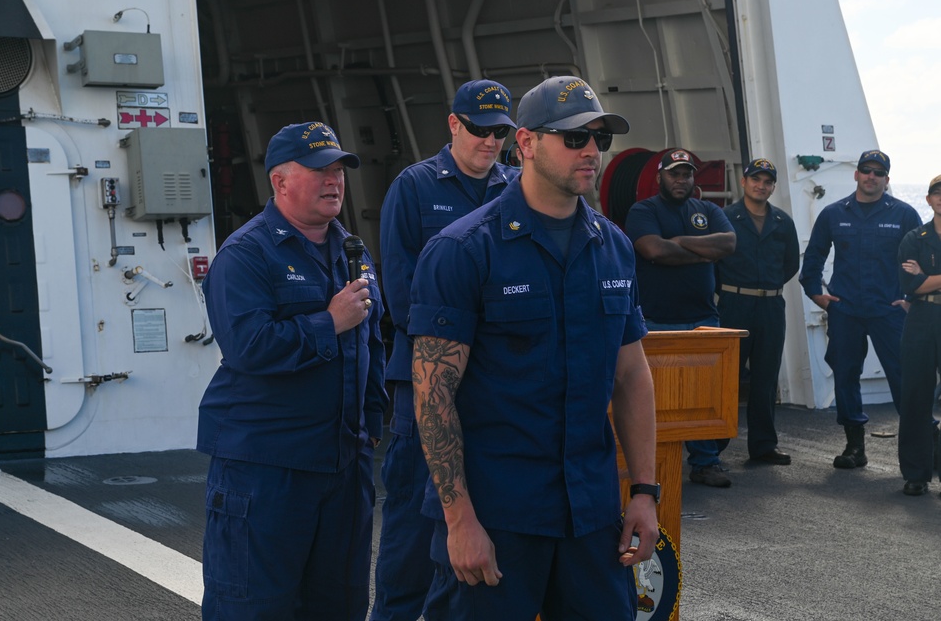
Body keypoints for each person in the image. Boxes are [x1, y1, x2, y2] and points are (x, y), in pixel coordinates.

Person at [408, 76, 659, 620]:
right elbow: (433, 396)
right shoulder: (463, 251)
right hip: (498, 519)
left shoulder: (612, 248)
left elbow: (632, 376)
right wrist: (459, 521)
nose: (590, 150)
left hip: (590, 518)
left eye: (599, 137)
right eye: (574, 138)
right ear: (525, 143)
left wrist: (644, 490)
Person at [197, 122, 388, 620]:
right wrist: (330, 322)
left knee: (339, 606)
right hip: (266, 468)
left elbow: (374, 339)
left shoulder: (352, 252)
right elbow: (248, 347)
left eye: (339, 170)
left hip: (343, 468)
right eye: (319, 170)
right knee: (254, 606)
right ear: (280, 182)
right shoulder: (246, 255)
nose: (334, 181)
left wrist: (371, 424)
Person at [373, 79, 517, 621]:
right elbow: (403, 292)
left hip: (494, 383)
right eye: (480, 129)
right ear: (454, 125)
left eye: (501, 131)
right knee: (413, 528)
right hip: (425, 379)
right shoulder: (413, 188)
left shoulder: (518, 187)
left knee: (489, 520)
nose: (490, 141)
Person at [799, 149, 921, 469]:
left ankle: (922, 448)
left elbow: (925, 259)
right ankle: (855, 448)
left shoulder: (904, 214)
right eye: (866, 170)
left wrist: (912, 299)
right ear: (856, 174)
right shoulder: (833, 213)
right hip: (846, 311)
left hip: (889, 311)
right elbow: (812, 260)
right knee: (846, 375)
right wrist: (817, 295)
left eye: (878, 172)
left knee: (905, 377)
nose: (871, 176)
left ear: (887, 179)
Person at [624, 149, 736, 487]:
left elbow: (729, 243)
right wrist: (702, 251)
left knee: (703, 396)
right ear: (660, 177)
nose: (681, 179)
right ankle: (654, 465)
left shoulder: (709, 210)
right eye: (674, 173)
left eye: (686, 174)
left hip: (703, 318)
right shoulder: (643, 210)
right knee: (656, 398)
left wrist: (681, 242)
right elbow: (653, 250)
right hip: (657, 320)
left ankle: (706, 462)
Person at [716, 158, 800, 465]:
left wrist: (768, 286)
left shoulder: (782, 222)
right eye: (755, 180)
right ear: (744, 181)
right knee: (729, 377)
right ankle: (714, 446)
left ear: (773, 187)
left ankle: (764, 445)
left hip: (771, 306)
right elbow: (714, 261)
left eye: (767, 182)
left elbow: (791, 264)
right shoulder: (725, 218)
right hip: (734, 305)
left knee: (766, 376)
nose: (760, 186)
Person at [896, 174, 941, 496]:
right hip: (923, 316)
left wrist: (929, 276)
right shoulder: (915, 237)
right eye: (937, 193)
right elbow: (910, 285)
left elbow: (923, 280)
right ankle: (916, 473)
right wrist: (922, 280)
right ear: (928, 200)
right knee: (915, 397)